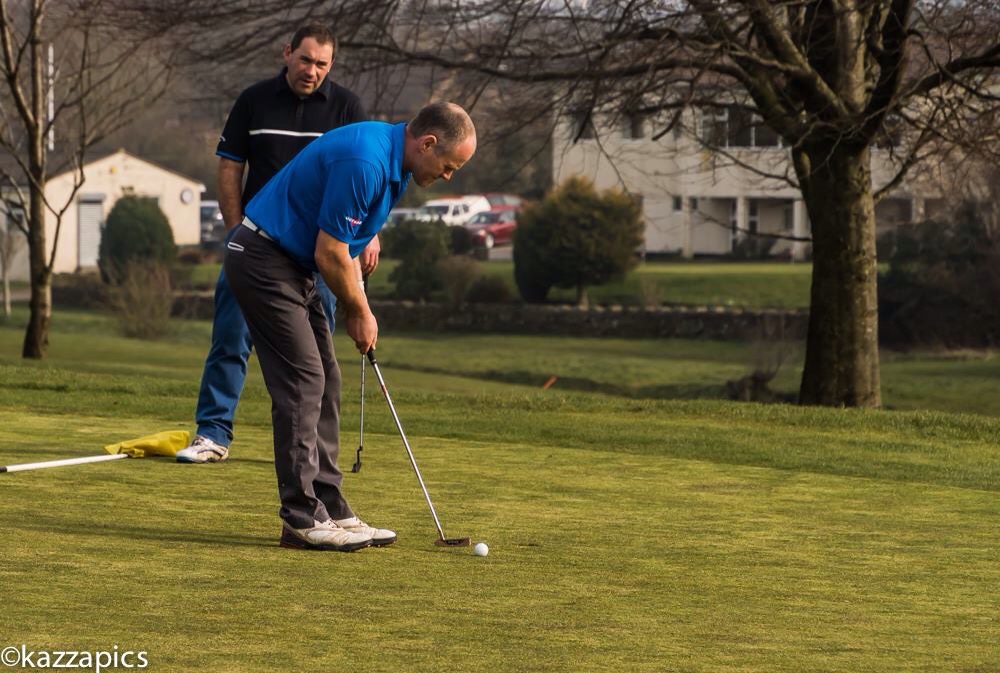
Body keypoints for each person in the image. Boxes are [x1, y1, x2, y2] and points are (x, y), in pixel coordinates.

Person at [224, 102, 476, 551]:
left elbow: (345, 238)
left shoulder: (396, 163)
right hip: (264, 259)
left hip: (292, 264)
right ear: (428, 143)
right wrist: (360, 311)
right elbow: (330, 251)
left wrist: (362, 246)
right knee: (304, 380)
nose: (448, 176)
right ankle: (300, 518)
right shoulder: (366, 159)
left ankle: (329, 505)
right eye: (449, 166)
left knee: (327, 378)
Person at [177, 23, 381, 464]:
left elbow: (363, 177)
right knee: (230, 339)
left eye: (322, 64)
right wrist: (235, 232)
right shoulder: (254, 101)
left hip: (319, 255)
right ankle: (212, 433)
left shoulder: (347, 106)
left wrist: (370, 234)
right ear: (287, 53)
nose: (312, 71)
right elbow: (230, 170)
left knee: (313, 356)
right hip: (256, 245)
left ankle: (308, 447)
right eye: (305, 59)